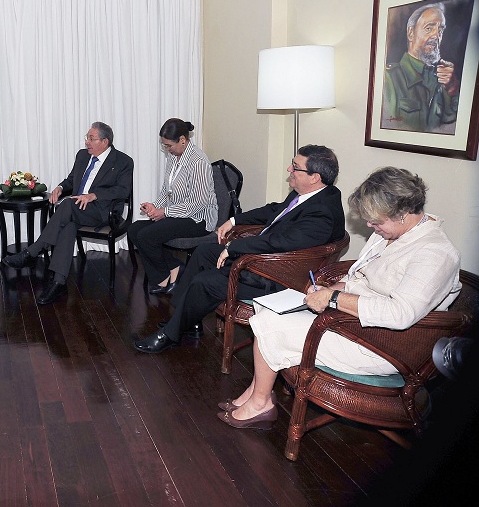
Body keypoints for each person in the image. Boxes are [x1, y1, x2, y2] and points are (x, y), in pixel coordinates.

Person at [217, 167, 461, 430]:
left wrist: (333, 298)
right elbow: (364, 276)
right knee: (267, 314)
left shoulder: (435, 254)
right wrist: (331, 287)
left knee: (271, 328)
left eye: (375, 220)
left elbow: (399, 313)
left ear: (402, 214)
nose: (370, 226)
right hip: (356, 322)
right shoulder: (390, 234)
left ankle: (260, 405)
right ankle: (257, 396)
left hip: (386, 345)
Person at [135, 145, 345, 353]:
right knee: (203, 252)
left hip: (277, 276)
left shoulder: (322, 212)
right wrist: (234, 220)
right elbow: (274, 210)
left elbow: (283, 242)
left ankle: (170, 335)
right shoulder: (310, 194)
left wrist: (235, 247)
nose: (289, 170)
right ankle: (184, 319)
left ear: (314, 177)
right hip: (263, 258)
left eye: (295, 166)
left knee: (206, 281)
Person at [3, 122, 134, 305]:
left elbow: (122, 190)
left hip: (103, 211)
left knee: (67, 206)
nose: (87, 142)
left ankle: (33, 252)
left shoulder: (122, 161)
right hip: (78, 209)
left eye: (91, 138)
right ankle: (59, 282)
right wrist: (60, 187)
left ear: (105, 141)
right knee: (69, 224)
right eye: (86, 138)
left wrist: (94, 195)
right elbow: (72, 179)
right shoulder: (82, 156)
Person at [128, 118, 217, 295]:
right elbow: (166, 189)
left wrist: (165, 212)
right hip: (178, 214)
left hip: (198, 219)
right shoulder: (174, 156)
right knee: (134, 230)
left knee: (147, 235)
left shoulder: (198, 162)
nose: (167, 149)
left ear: (183, 140)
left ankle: (165, 277)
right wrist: (155, 206)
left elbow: (197, 204)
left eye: (169, 145)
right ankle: (173, 269)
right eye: (164, 146)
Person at [382, 2, 460, 133]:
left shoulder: (443, 80)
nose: (436, 36)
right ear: (411, 33)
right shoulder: (389, 78)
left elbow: (452, 126)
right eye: (429, 28)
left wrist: (452, 91)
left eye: (440, 30)